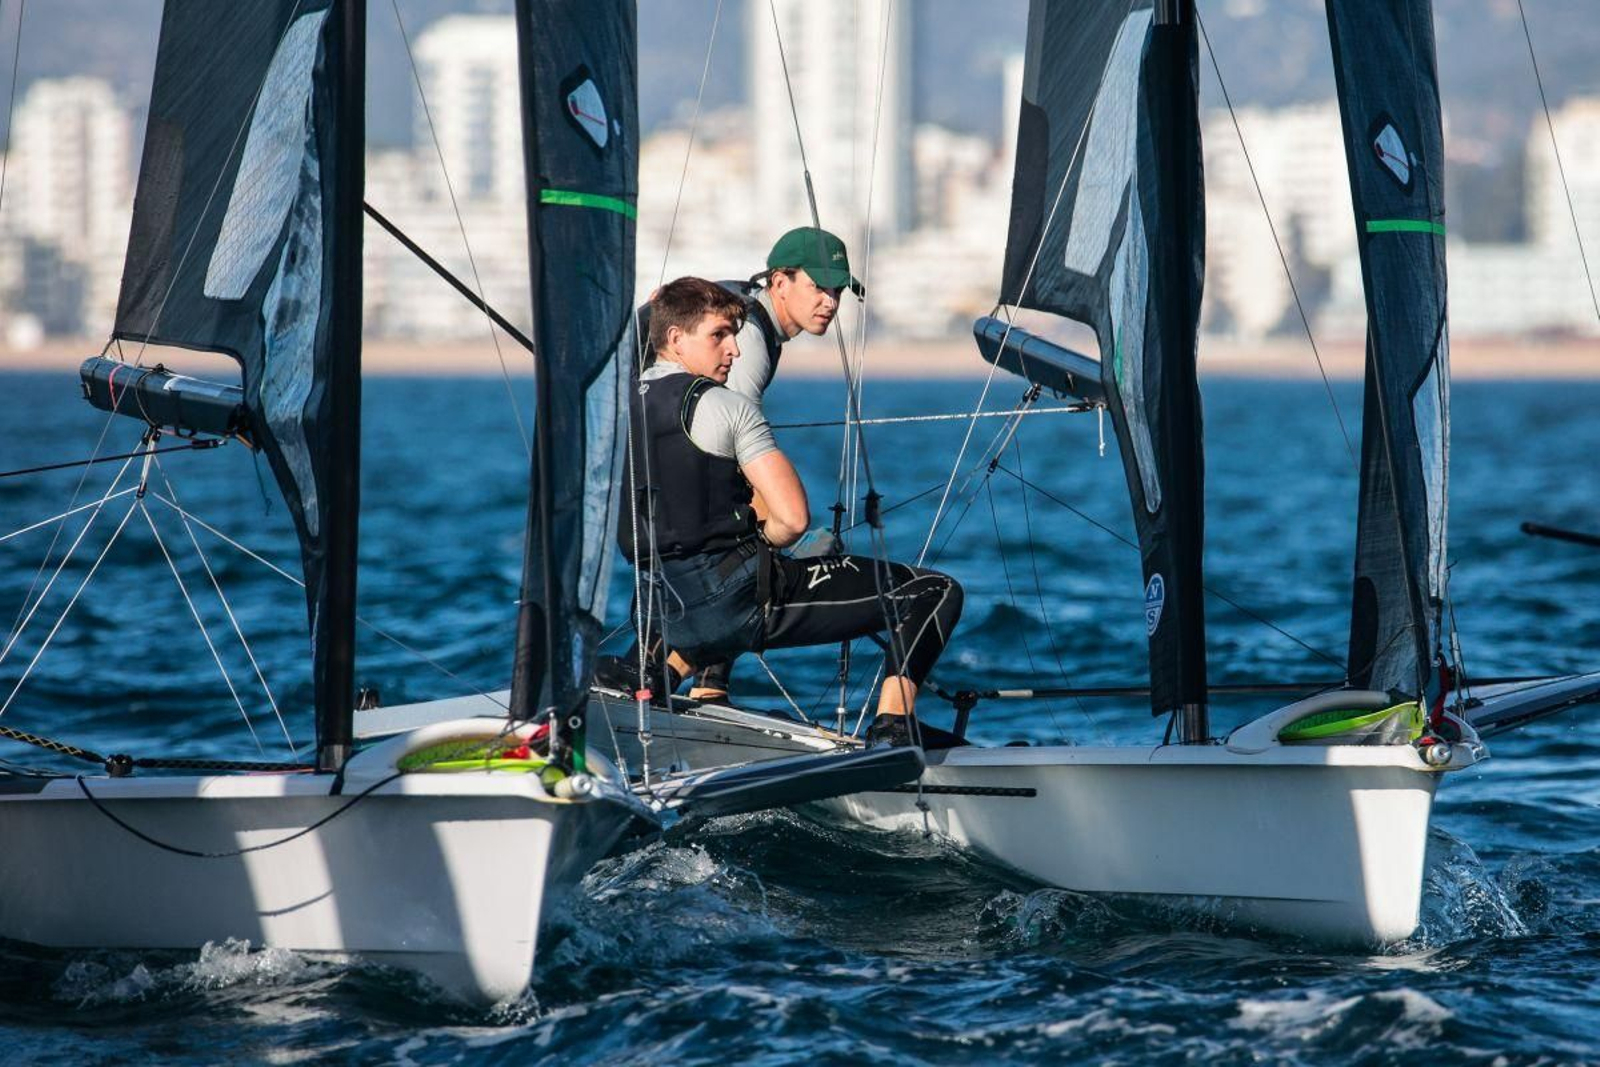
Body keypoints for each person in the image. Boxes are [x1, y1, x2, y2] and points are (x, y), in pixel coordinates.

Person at [614, 276, 962, 746]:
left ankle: (658, 678)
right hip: (740, 606)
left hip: (658, 608)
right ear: (675, 339)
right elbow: (792, 520)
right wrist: (759, 552)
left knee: (702, 599)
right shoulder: (727, 407)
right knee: (934, 593)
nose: (733, 350)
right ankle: (893, 726)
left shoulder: (611, 410)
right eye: (719, 335)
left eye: (734, 335)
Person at [605, 226, 863, 702]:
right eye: (818, 287)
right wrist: (771, 542)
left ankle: (666, 672)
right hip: (642, 421)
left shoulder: (737, 304)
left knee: (716, 543)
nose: (830, 301)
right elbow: (727, 454)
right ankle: (696, 683)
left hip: (630, 422)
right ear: (779, 282)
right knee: (739, 547)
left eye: (838, 290)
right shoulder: (748, 341)